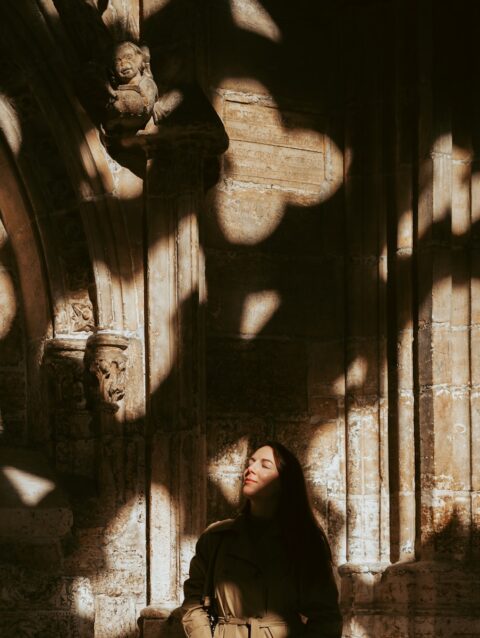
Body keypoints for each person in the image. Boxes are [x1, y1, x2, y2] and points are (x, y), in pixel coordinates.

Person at [181, 441, 342, 638]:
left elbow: (326, 617)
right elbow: (193, 602)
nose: (250, 469)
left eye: (264, 465)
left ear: (284, 482)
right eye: (251, 462)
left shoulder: (303, 541)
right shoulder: (216, 538)